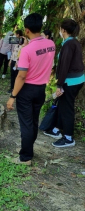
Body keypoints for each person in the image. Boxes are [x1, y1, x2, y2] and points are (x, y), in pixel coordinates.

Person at [6, 13, 55, 165]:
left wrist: (12, 96)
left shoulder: (26, 50)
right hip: (41, 89)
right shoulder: (50, 44)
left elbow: (21, 76)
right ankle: (29, 150)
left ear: (26, 30)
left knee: (26, 124)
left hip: (26, 90)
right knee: (33, 121)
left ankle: (25, 157)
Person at [43, 19, 85, 147]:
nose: (60, 31)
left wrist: (59, 85)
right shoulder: (73, 42)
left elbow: (64, 66)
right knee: (62, 105)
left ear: (64, 30)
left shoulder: (68, 44)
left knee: (67, 108)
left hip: (70, 82)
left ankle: (68, 138)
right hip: (78, 79)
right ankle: (56, 129)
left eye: (60, 29)